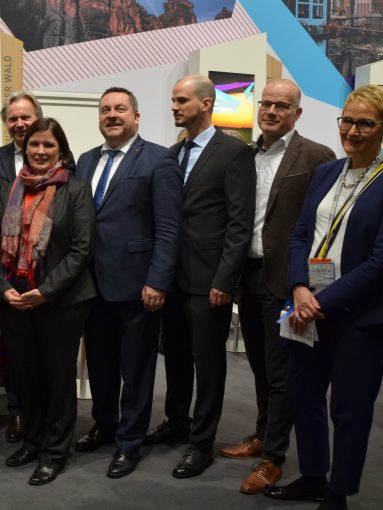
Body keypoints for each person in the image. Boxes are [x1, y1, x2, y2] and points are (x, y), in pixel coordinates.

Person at [264, 85, 383, 510]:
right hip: (308, 305)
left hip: (359, 317)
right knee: (302, 396)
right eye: (347, 120)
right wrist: (299, 287)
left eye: (365, 123)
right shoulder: (327, 172)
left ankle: (338, 491)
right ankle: (312, 475)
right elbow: (301, 235)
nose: (353, 131)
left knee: (348, 410)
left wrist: (320, 302)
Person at [222, 79, 335, 494]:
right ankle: (261, 433)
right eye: (265, 103)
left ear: (297, 113)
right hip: (247, 276)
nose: (271, 110)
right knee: (259, 366)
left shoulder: (317, 156)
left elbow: (324, 227)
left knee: (283, 372)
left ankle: (273, 458)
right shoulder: (244, 154)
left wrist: (312, 284)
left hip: (288, 283)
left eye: (281, 106)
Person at [146, 75, 255, 479]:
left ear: (206, 103)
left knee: (208, 363)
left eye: (181, 100)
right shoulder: (172, 154)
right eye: (173, 100)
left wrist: (226, 280)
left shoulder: (233, 152)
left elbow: (239, 224)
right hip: (170, 279)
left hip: (209, 281)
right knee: (174, 356)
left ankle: (202, 441)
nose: (174, 107)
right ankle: (177, 421)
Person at [73, 87, 182, 479]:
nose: (112, 115)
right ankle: (103, 426)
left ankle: (129, 441)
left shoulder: (159, 160)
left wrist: (158, 281)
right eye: (105, 109)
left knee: (136, 369)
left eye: (120, 109)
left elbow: (169, 228)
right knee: (100, 364)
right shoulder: (85, 161)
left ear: (137, 117)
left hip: (139, 287)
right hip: (91, 285)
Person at [0, 117, 95, 485]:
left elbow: (81, 251)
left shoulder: (76, 190)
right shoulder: (9, 190)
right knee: (25, 377)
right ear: (25, 149)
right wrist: (4, 289)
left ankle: (54, 452)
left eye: (48, 145)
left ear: (60, 150)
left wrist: (45, 292)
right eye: (34, 145)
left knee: (58, 379)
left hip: (60, 303)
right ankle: (32, 442)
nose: (41, 151)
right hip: (16, 301)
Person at [0, 90, 45, 443]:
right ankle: (16, 413)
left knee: (45, 349)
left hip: (46, 271)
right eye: (13, 118)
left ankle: (44, 414)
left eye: (26, 117)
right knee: (13, 350)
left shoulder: (59, 160)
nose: (20, 124)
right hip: (8, 270)